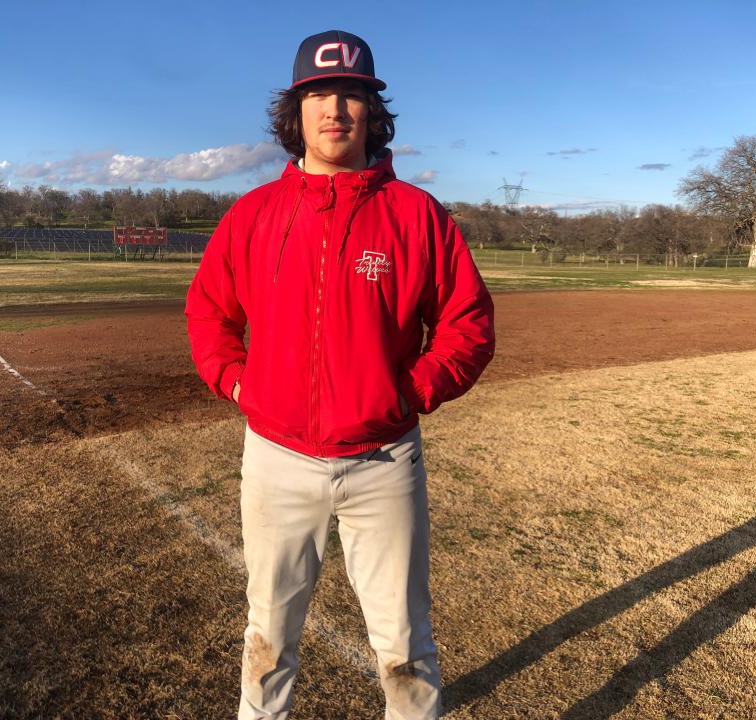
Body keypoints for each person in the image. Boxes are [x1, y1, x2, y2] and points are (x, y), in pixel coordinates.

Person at [185, 29, 495, 719]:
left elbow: (468, 324)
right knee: (268, 637)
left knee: (404, 645)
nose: (335, 110)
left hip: (383, 461)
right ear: (294, 113)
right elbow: (209, 312)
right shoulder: (254, 215)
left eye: (351, 95)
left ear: (372, 113)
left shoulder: (417, 215)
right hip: (276, 459)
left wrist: (409, 392)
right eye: (319, 95)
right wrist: (238, 384)